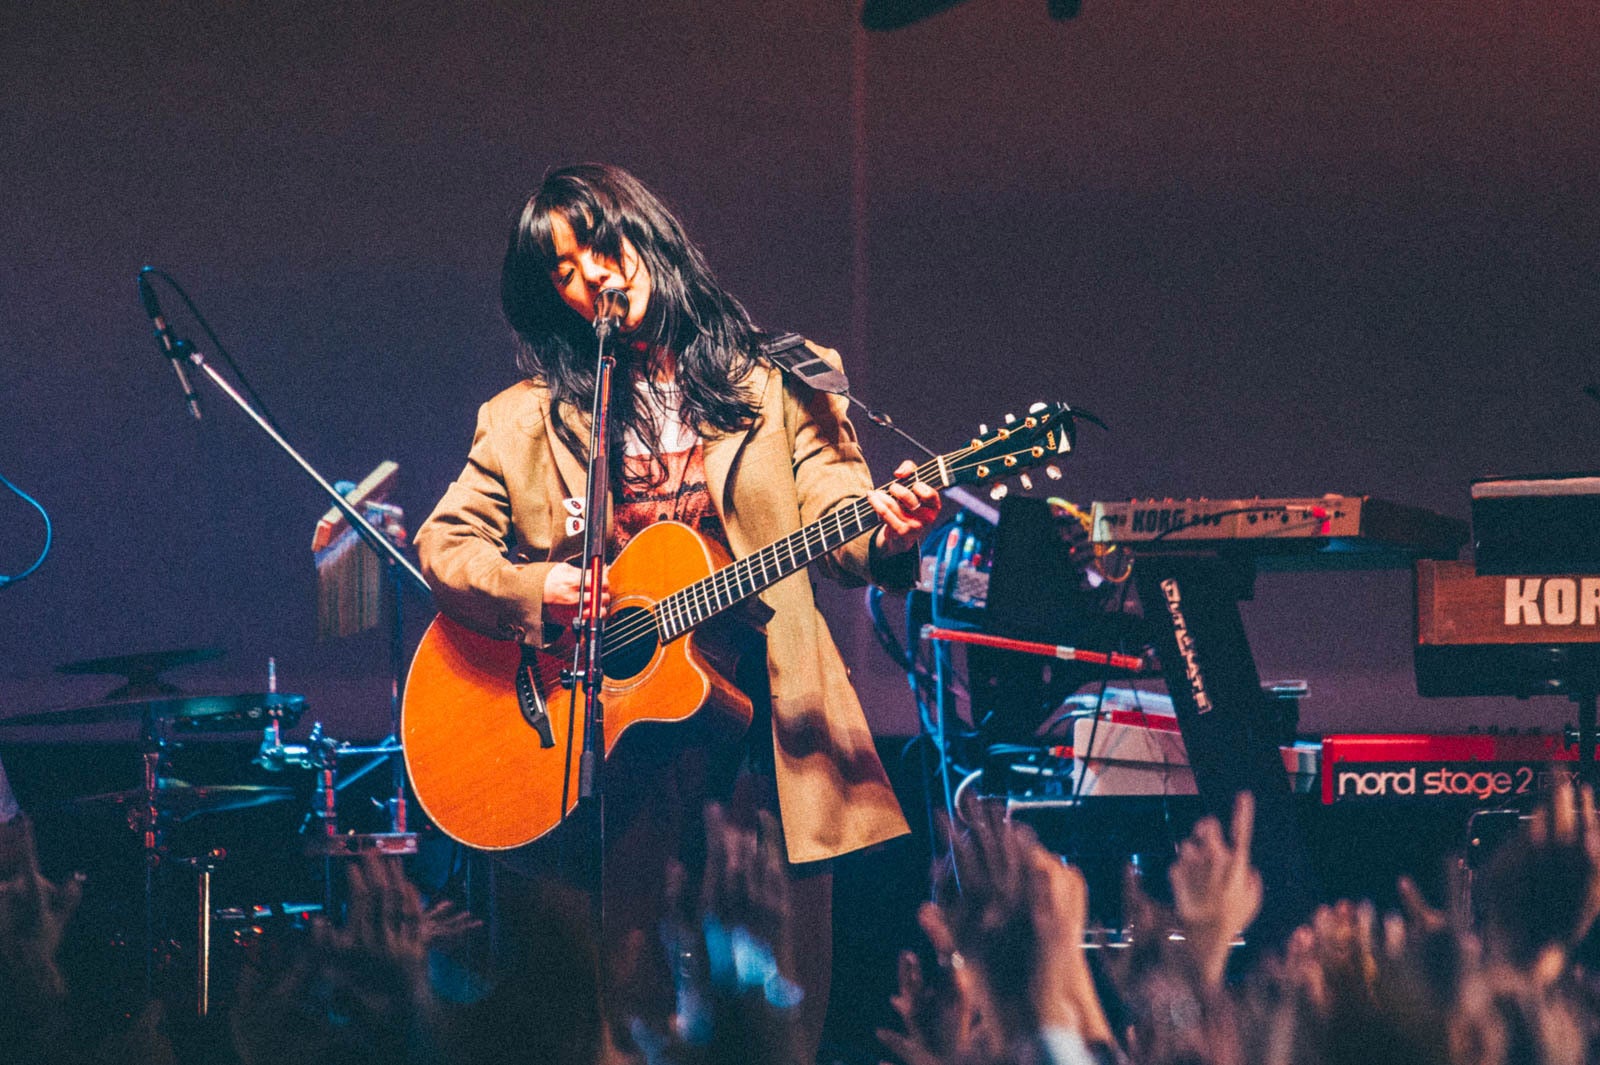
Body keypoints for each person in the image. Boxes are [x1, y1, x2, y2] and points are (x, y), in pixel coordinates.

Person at [414, 162, 942, 1060]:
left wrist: (892, 533)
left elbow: (841, 522)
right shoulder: (522, 421)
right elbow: (445, 547)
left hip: (762, 762)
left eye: (602, 245)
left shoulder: (781, 385)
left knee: (770, 1025)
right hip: (607, 777)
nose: (595, 277)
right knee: (613, 1030)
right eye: (565, 271)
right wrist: (536, 589)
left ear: (646, 234)